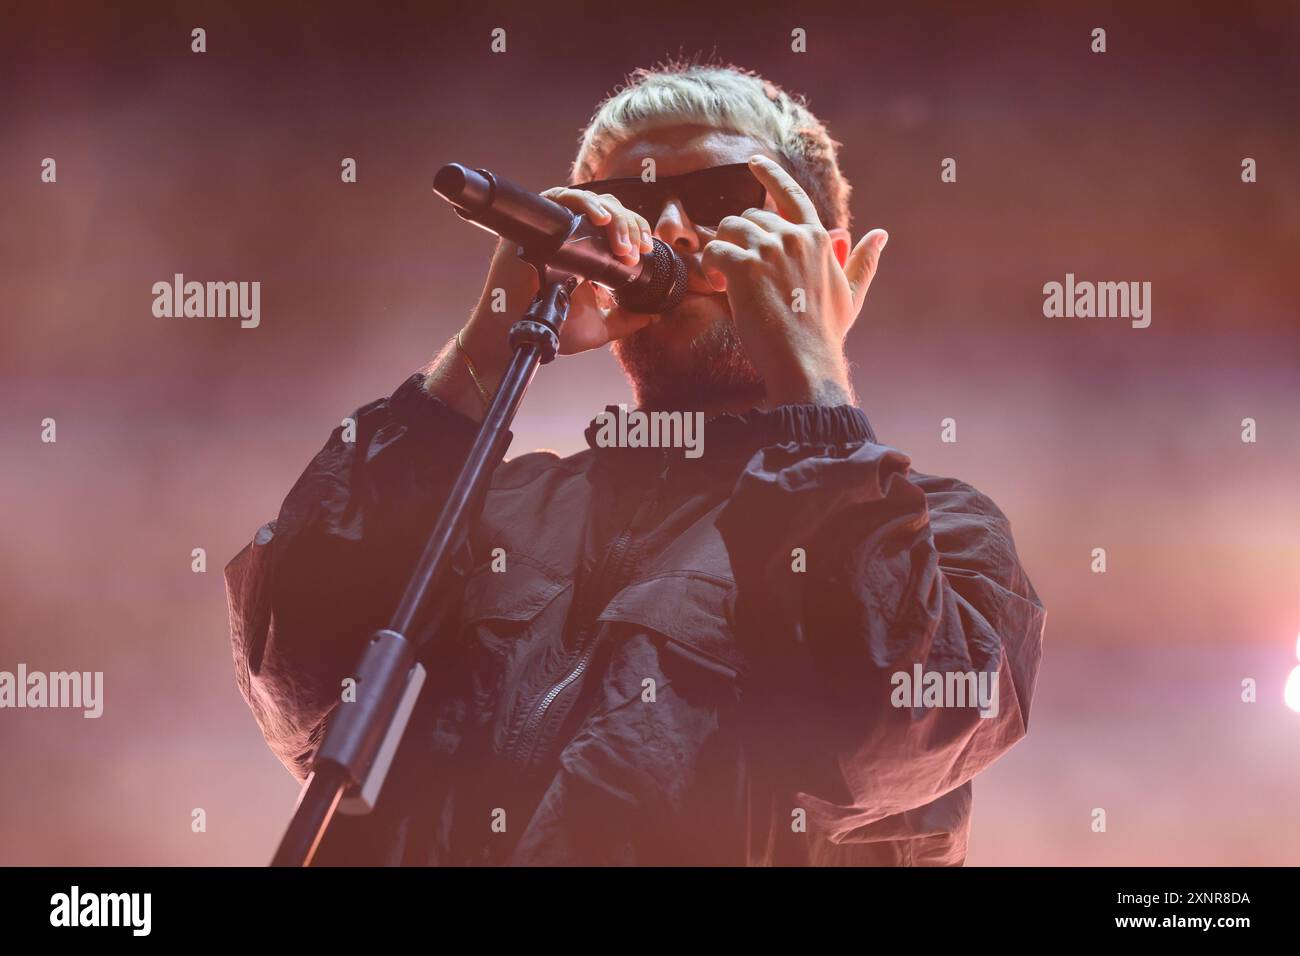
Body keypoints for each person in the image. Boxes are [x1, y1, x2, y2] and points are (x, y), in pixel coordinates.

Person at [224, 61, 1046, 865]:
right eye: (637, 207)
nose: (678, 231)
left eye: (726, 200)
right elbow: (301, 685)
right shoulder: (488, 505)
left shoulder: (945, 536)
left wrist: (811, 370)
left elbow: (878, 738)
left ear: (826, 262)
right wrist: (489, 339)